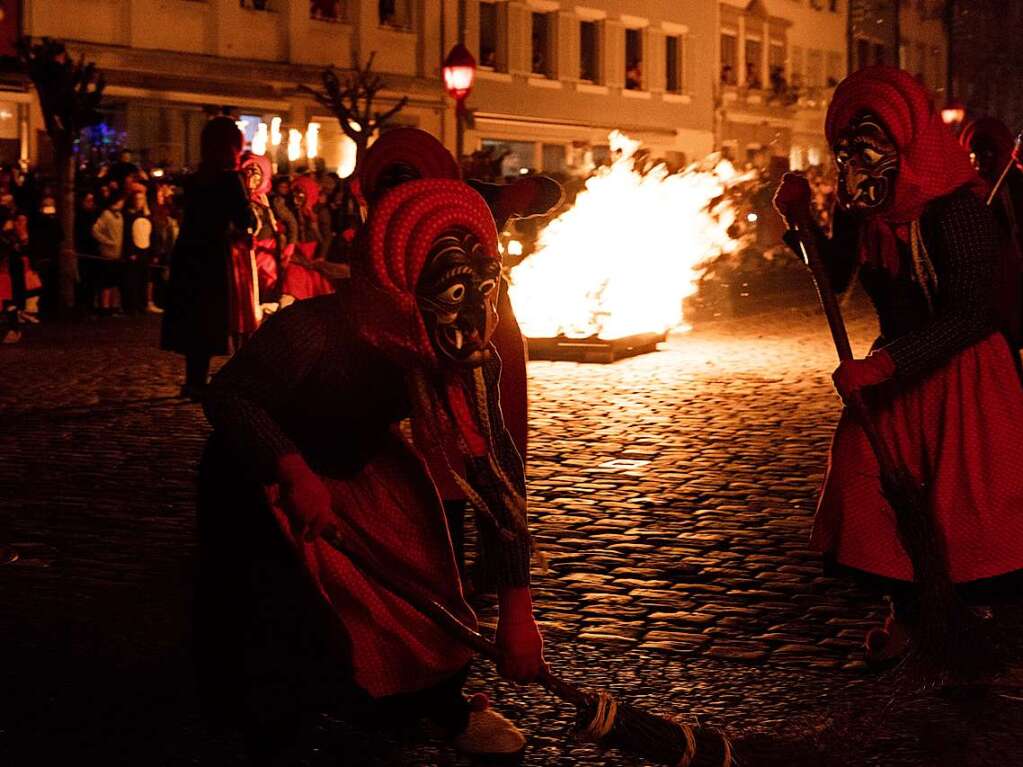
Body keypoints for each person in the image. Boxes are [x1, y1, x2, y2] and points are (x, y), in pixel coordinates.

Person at [196, 178, 544, 766]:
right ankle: (277, 729)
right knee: (286, 617)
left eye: (479, 288)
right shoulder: (314, 328)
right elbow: (231, 398)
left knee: (425, 584)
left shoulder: (461, 345)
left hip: (360, 466)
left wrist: (518, 610)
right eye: (451, 288)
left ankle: (435, 703)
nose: (468, 312)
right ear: (402, 276)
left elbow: (494, 469)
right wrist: (292, 470)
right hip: (260, 476)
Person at [774, 66, 1023, 666]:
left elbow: (970, 315)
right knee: (868, 490)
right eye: (849, 139)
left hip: (962, 377)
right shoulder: (865, 208)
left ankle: (967, 622)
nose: (858, 154)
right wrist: (798, 221)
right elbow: (834, 276)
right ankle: (910, 614)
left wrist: (884, 367)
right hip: (897, 373)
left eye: (872, 136)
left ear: (906, 137)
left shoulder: (955, 210)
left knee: (966, 512)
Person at [161, 116, 256, 401]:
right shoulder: (230, 179)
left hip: (189, 252)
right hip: (213, 254)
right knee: (207, 316)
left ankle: (193, 379)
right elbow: (245, 218)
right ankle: (198, 383)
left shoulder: (195, 178)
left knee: (193, 317)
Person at [959, 116, 1023, 348]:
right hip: (979, 269)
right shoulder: (964, 190)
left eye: (987, 154)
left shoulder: (1013, 183)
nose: (980, 162)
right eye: (975, 155)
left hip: (1009, 264)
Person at [92, 196, 126, 316]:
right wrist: (107, 241)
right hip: (107, 253)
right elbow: (95, 230)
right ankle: (105, 307)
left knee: (115, 281)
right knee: (107, 281)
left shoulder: (120, 215)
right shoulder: (106, 214)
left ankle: (114, 306)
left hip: (118, 253)